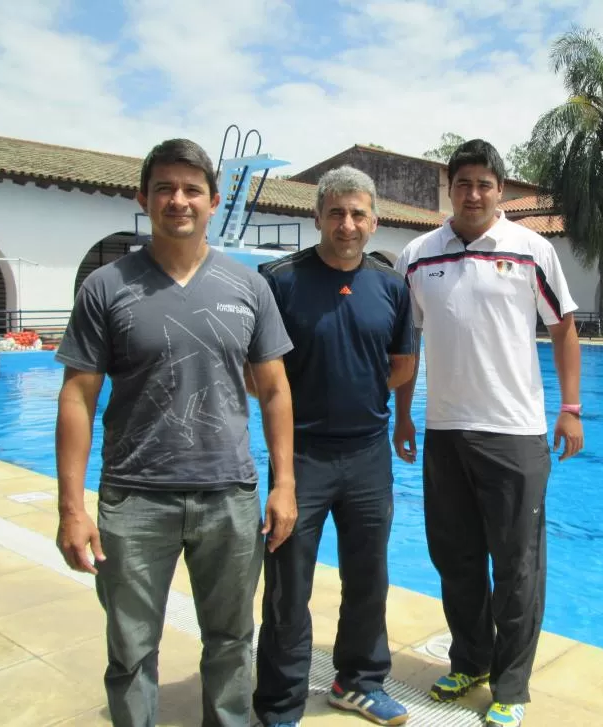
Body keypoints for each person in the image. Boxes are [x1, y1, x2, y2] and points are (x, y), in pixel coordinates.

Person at [54, 138, 297, 727]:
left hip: (229, 498)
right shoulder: (107, 287)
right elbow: (78, 395)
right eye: (165, 188)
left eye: (192, 190)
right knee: (132, 651)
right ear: (144, 198)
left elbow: (275, 390)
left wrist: (284, 482)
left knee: (232, 642)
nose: (178, 201)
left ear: (214, 201)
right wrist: (70, 507)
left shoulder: (249, 287)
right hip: (135, 499)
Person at [392, 139, 584, 727]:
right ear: (449, 188)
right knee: (455, 557)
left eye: (485, 183)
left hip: (514, 433)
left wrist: (570, 408)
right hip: (445, 430)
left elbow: (563, 327)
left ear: (501, 190)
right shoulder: (417, 256)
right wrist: (403, 413)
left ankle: (511, 685)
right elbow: (407, 343)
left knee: (518, 564)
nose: (473, 193)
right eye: (463, 182)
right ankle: (471, 659)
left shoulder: (531, 250)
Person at [251, 166, 415, 727]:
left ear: (373, 221)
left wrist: (360, 391)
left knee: (368, 578)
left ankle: (359, 682)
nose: (347, 224)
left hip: (368, 455)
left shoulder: (392, 287)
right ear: (317, 216)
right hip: (299, 457)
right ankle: (279, 702)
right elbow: (259, 373)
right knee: (288, 584)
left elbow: (402, 364)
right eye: (337, 212)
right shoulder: (279, 280)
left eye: (358, 213)